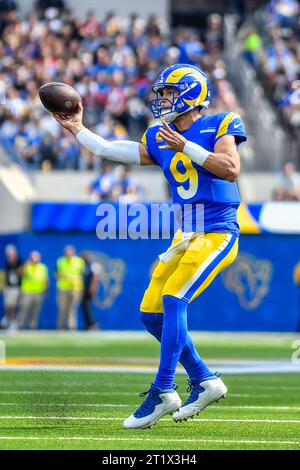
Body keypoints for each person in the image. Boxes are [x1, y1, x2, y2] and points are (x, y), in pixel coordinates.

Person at [52, 63, 247, 429]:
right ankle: (205, 379)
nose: (164, 100)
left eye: (170, 93)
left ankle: (164, 389)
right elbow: (110, 149)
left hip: (218, 230)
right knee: (151, 313)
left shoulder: (221, 122)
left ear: (190, 93)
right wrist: (78, 127)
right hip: (183, 234)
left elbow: (230, 169)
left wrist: (186, 145)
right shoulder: (160, 135)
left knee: (174, 299)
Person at [56, 245, 85, 329]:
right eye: (66, 251)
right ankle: (60, 327)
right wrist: (68, 278)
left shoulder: (79, 261)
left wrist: (74, 280)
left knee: (72, 309)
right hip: (63, 288)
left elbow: (82, 275)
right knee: (62, 308)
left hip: (75, 288)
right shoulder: (60, 261)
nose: (68, 253)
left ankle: (72, 327)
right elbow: (57, 274)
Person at [18, 251, 48, 329]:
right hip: (27, 292)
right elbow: (19, 273)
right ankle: (20, 325)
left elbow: (45, 280)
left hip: (38, 292)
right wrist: (26, 265)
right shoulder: (26, 266)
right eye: (33, 257)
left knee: (36, 311)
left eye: (37, 257)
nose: (35, 259)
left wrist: (46, 290)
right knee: (24, 309)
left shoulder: (43, 267)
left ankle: (33, 326)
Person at [1, 244, 22, 330]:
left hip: (16, 288)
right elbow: (5, 275)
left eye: (12, 254)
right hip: (8, 287)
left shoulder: (19, 262)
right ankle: (8, 320)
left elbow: (21, 273)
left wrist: (18, 271)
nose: (10, 256)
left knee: (12, 305)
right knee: (7, 306)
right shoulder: (7, 262)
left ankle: (13, 322)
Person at [80, 251, 99, 330]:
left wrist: (93, 288)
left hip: (88, 289)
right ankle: (89, 323)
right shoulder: (82, 265)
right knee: (85, 306)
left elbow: (95, 277)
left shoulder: (92, 265)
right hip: (83, 288)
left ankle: (92, 323)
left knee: (86, 306)